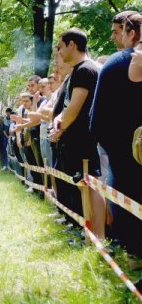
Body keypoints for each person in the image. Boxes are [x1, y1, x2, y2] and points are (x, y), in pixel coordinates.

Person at [91, 13, 142, 250]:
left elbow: (97, 122)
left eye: (118, 32)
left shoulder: (117, 62)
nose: (115, 37)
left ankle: (133, 253)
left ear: (130, 33)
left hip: (124, 155)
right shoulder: (121, 62)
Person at [51, 28, 103, 234]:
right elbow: (66, 108)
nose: (60, 52)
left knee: (91, 186)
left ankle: (96, 235)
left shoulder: (85, 70)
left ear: (72, 45)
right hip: (80, 140)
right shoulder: (81, 69)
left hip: (85, 140)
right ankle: (89, 232)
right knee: (85, 186)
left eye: (61, 47)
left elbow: (74, 107)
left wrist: (60, 128)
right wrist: (58, 122)